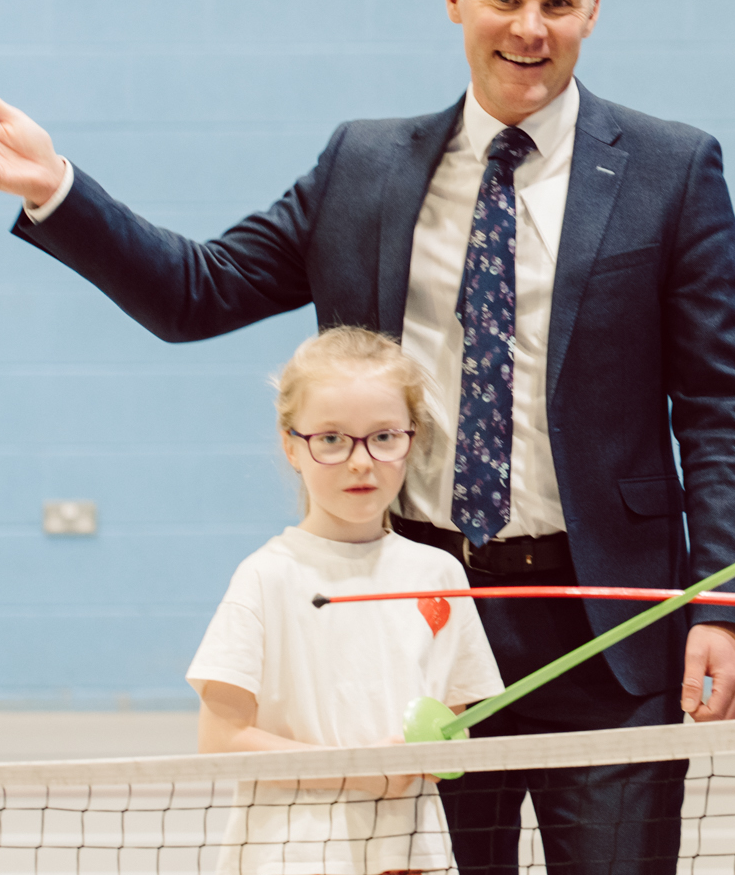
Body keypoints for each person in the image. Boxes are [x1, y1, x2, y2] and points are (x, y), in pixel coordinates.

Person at [0, 0, 735, 875]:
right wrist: (55, 189)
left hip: (610, 623)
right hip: (416, 624)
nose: (529, 27)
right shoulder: (363, 166)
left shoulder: (670, 167)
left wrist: (725, 606)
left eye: (557, 1)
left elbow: (722, 406)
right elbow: (198, 290)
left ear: (592, 11)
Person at [188, 328, 502, 875]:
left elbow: (455, 723)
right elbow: (222, 739)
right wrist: (359, 771)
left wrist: (432, 750)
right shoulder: (265, 577)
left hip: (406, 855)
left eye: (383, 437)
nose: (362, 462)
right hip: (292, 855)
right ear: (291, 446)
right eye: (331, 439)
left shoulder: (439, 574)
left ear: (412, 437)